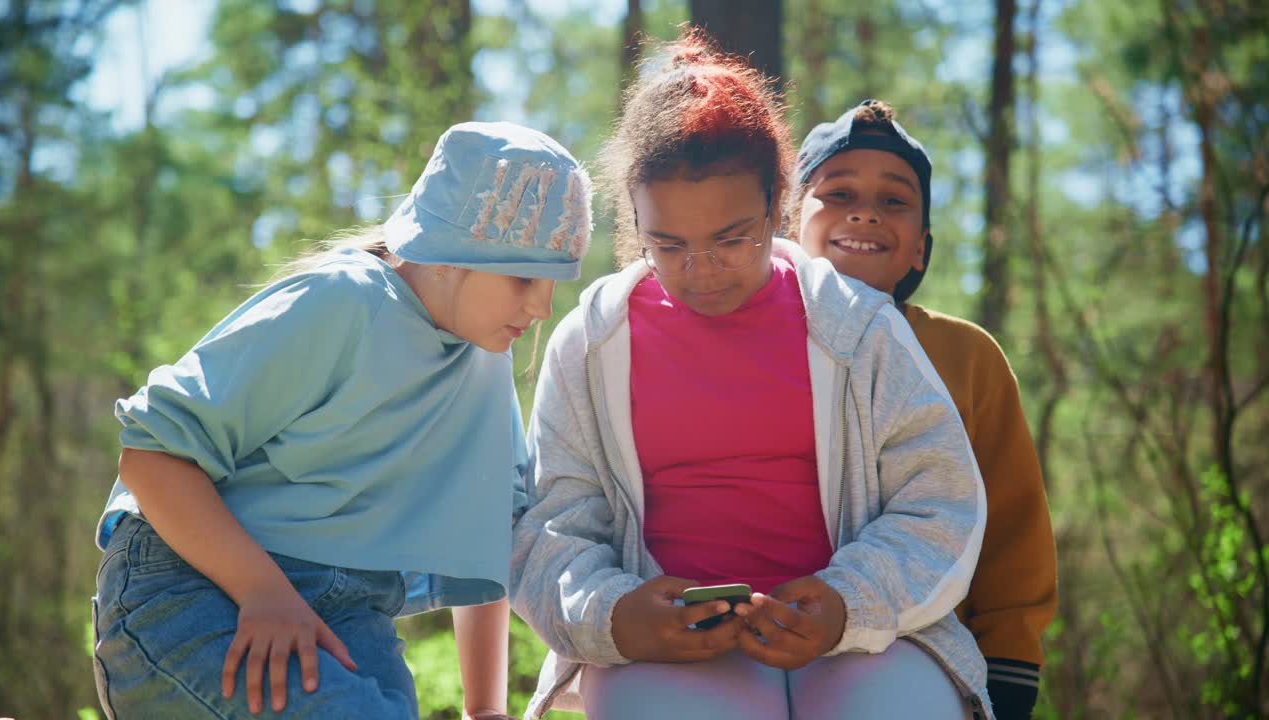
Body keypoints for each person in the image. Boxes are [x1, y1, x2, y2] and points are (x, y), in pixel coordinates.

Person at [510, 31, 993, 720]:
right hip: (665, 654)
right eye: (668, 244)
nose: (699, 269)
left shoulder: (859, 329)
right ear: (635, 220)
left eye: (732, 238)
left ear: (777, 206)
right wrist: (615, 615)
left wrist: (845, 603)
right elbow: (553, 527)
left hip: (865, 642)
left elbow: (939, 502)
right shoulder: (589, 344)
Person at [89, 121, 593, 720]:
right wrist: (264, 591)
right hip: (193, 587)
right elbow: (152, 457)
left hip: (348, 609)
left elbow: (484, 530)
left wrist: (485, 710)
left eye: (552, 285)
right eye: (522, 279)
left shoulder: (485, 359)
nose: (540, 308)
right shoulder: (344, 301)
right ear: (450, 253)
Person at [792, 99, 1058, 720]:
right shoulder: (745, 345)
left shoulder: (966, 357)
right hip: (758, 635)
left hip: (917, 650)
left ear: (921, 248)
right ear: (788, 224)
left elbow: (1012, 537)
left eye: (894, 201)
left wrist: (1010, 674)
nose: (865, 211)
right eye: (837, 192)